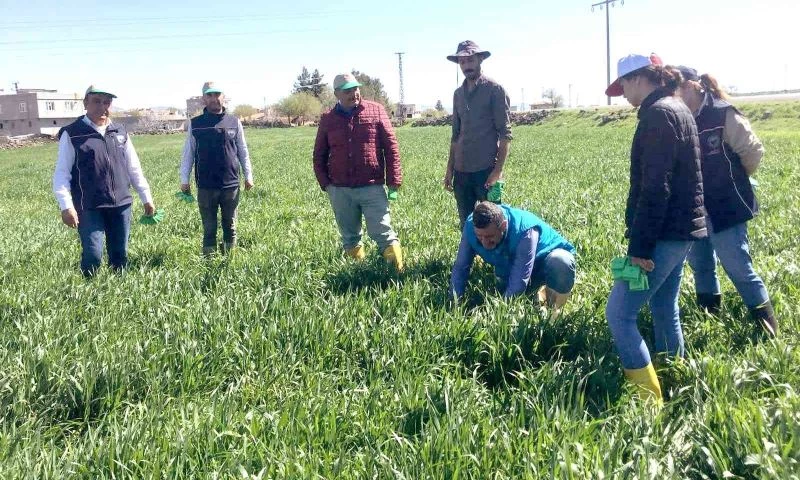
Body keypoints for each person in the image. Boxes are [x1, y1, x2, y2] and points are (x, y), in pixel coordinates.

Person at [604, 54, 707, 403]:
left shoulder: (658, 115)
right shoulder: (677, 107)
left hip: (663, 234)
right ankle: (677, 380)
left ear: (637, 79)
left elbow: (655, 188)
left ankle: (649, 402)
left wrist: (640, 249)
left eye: (624, 89)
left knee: (619, 314)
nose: (624, 97)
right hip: (682, 232)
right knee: (665, 305)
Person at [675, 66, 776, 337]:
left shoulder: (723, 113)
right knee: (701, 265)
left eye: (678, 87)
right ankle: (710, 317)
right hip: (695, 208)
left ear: (694, 85)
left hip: (726, 206)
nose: (675, 94)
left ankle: (766, 328)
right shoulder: (680, 117)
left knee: (737, 265)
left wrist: (733, 181)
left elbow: (752, 151)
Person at [53, 85, 155, 276]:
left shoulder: (120, 131)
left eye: (107, 102)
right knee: (93, 255)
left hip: (121, 204)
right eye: (97, 101)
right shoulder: (73, 133)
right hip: (89, 206)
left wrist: (146, 197)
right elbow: (61, 173)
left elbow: (134, 167)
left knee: (120, 255)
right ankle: (90, 295)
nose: (102, 106)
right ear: (86, 103)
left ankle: (119, 295)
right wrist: (66, 206)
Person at [312, 73, 404, 272]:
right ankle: (358, 274)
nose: (353, 93)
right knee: (350, 236)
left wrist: (394, 181)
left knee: (383, 231)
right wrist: (326, 184)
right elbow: (319, 153)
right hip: (340, 189)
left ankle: (397, 274)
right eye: (347, 90)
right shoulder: (328, 119)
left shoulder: (376, 110)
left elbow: (391, 147)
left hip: (372, 185)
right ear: (336, 93)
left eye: (355, 88)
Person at [450, 201, 576, 315]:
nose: (484, 243)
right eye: (480, 236)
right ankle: (536, 294)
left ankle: (553, 309)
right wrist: (454, 302)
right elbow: (461, 267)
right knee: (508, 291)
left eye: (489, 237)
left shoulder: (524, 230)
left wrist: (498, 315)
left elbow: (519, 280)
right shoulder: (470, 225)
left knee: (561, 260)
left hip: (543, 263)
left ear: (503, 226)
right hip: (512, 264)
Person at [443, 40, 513, 228]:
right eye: (462, 62)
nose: (466, 66)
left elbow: (505, 134)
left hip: (486, 171)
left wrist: (497, 171)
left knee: (494, 223)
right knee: (466, 223)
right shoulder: (458, 94)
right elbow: (455, 135)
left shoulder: (495, 90)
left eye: (470, 60)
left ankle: (495, 257)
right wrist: (450, 169)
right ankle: (468, 257)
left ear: (480, 59)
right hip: (462, 171)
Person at [180, 82, 254, 255]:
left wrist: (248, 175)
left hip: (231, 185)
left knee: (231, 225)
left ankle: (230, 259)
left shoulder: (234, 122)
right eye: (210, 95)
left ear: (223, 97)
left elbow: (243, 150)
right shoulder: (196, 123)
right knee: (209, 227)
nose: (214, 98)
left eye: (217, 94)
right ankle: (209, 261)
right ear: (204, 99)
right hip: (205, 185)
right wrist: (184, 179)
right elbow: (188, 152)